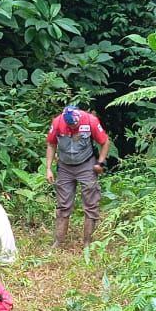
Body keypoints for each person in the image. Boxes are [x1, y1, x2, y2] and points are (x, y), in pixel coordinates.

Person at [45, 104, 110, 247]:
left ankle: (87, 242)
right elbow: (51, 144)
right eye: (70, 125)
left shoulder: (90, 121)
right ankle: (59, 241)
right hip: (65, 166)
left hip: (86, 164)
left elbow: (105, 142)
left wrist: (100, 163)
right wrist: (48, 168)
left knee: (91, 202)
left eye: (75, 124)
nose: (73, 127)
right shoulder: (57, 122)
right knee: (63, 204)